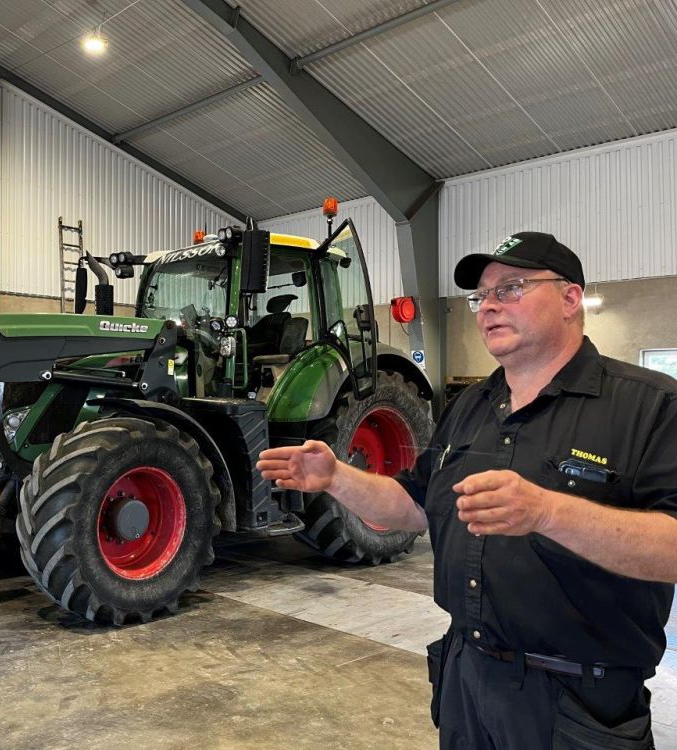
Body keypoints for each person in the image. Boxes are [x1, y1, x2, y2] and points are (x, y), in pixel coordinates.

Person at [257, 231, 677, 749]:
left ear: (570, 298)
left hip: (579, 701)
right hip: (466, 678)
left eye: (511, 288)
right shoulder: (471, 407)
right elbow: (415, 505)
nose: (489, 306)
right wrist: (336, 477)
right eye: (481, 296)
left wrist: (547, 512)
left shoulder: (650, 407)